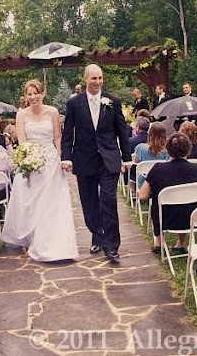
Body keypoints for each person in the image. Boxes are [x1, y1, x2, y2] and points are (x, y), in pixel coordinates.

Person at [3, 79, 79, 262]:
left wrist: (62, 158)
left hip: (51, 160)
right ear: (26, 96)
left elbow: (58, 138)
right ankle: (31, 236)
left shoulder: (52, 112)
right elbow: (21, 141)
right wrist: (28, 159)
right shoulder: (21, 114)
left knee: (51, 201)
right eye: (29, 94)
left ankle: (53, 238)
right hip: (31, 159)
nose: (33, 97)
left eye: (36, 93)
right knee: (31, 200)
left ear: (43, 94)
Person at [61, 65, 130, 262]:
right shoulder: (74, 103)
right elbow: (68, 133)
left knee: (108, 200)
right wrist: (66, 156)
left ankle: (111, 246)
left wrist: (126, 158)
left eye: (100, 78)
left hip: (109, 159)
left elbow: (122, 132)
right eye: (93, 78)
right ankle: (97, 235)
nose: (97, 82)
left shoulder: (113, 102)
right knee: (89, 202)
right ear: (85, 79)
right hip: (84, 159)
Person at [139, 133, 197, 254]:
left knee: (156, 200)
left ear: (167, 150)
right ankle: (181, 242)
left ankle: (159, 241)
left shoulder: (158, 169)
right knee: (185, 202)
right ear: (188, 150)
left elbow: (142, 196)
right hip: (195, 219)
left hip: (166, 219)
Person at [132, 122, 169, 189]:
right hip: (163, 183)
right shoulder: (169, 150)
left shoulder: (140, 148)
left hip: (144, 185)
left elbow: (135, 162)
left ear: (150, 134)